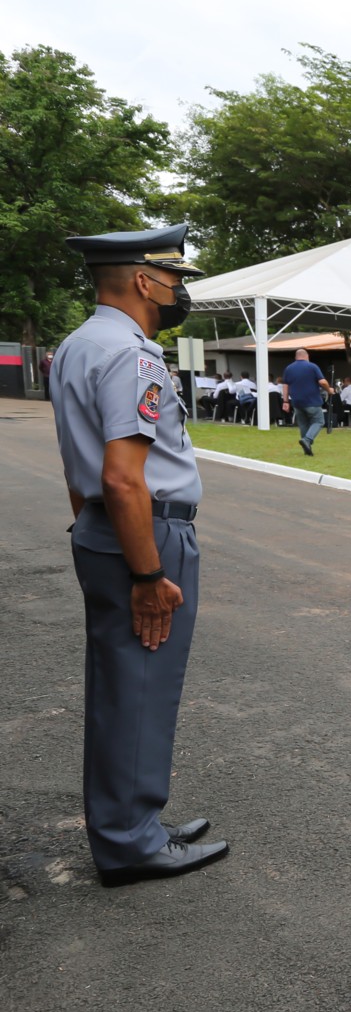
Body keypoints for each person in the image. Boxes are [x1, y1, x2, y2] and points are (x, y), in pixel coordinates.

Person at [50, 223, 228, 886]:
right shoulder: (133, 354)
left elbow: (80, 462)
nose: (178, 289)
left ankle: (133, 822)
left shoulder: (77, 345)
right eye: (174, 277)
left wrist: (97, 533)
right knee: (142, 690)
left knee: (120, 689)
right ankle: (130, 842)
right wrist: (148, 570)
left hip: (106, 530)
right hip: (145, 535)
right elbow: (124, 475)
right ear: (143, 279)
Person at [280, 347, 335, 456]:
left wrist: (285, 401)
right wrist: (329, 390)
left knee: (303, 424)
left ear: (296, 357)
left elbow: (285, 386)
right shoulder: (312, 366)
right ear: (307, 356)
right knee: (319, 421)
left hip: (296, 402)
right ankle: (307, 440)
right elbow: (323, 382)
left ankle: (307, 448)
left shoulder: (288, 368)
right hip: (312, 401)